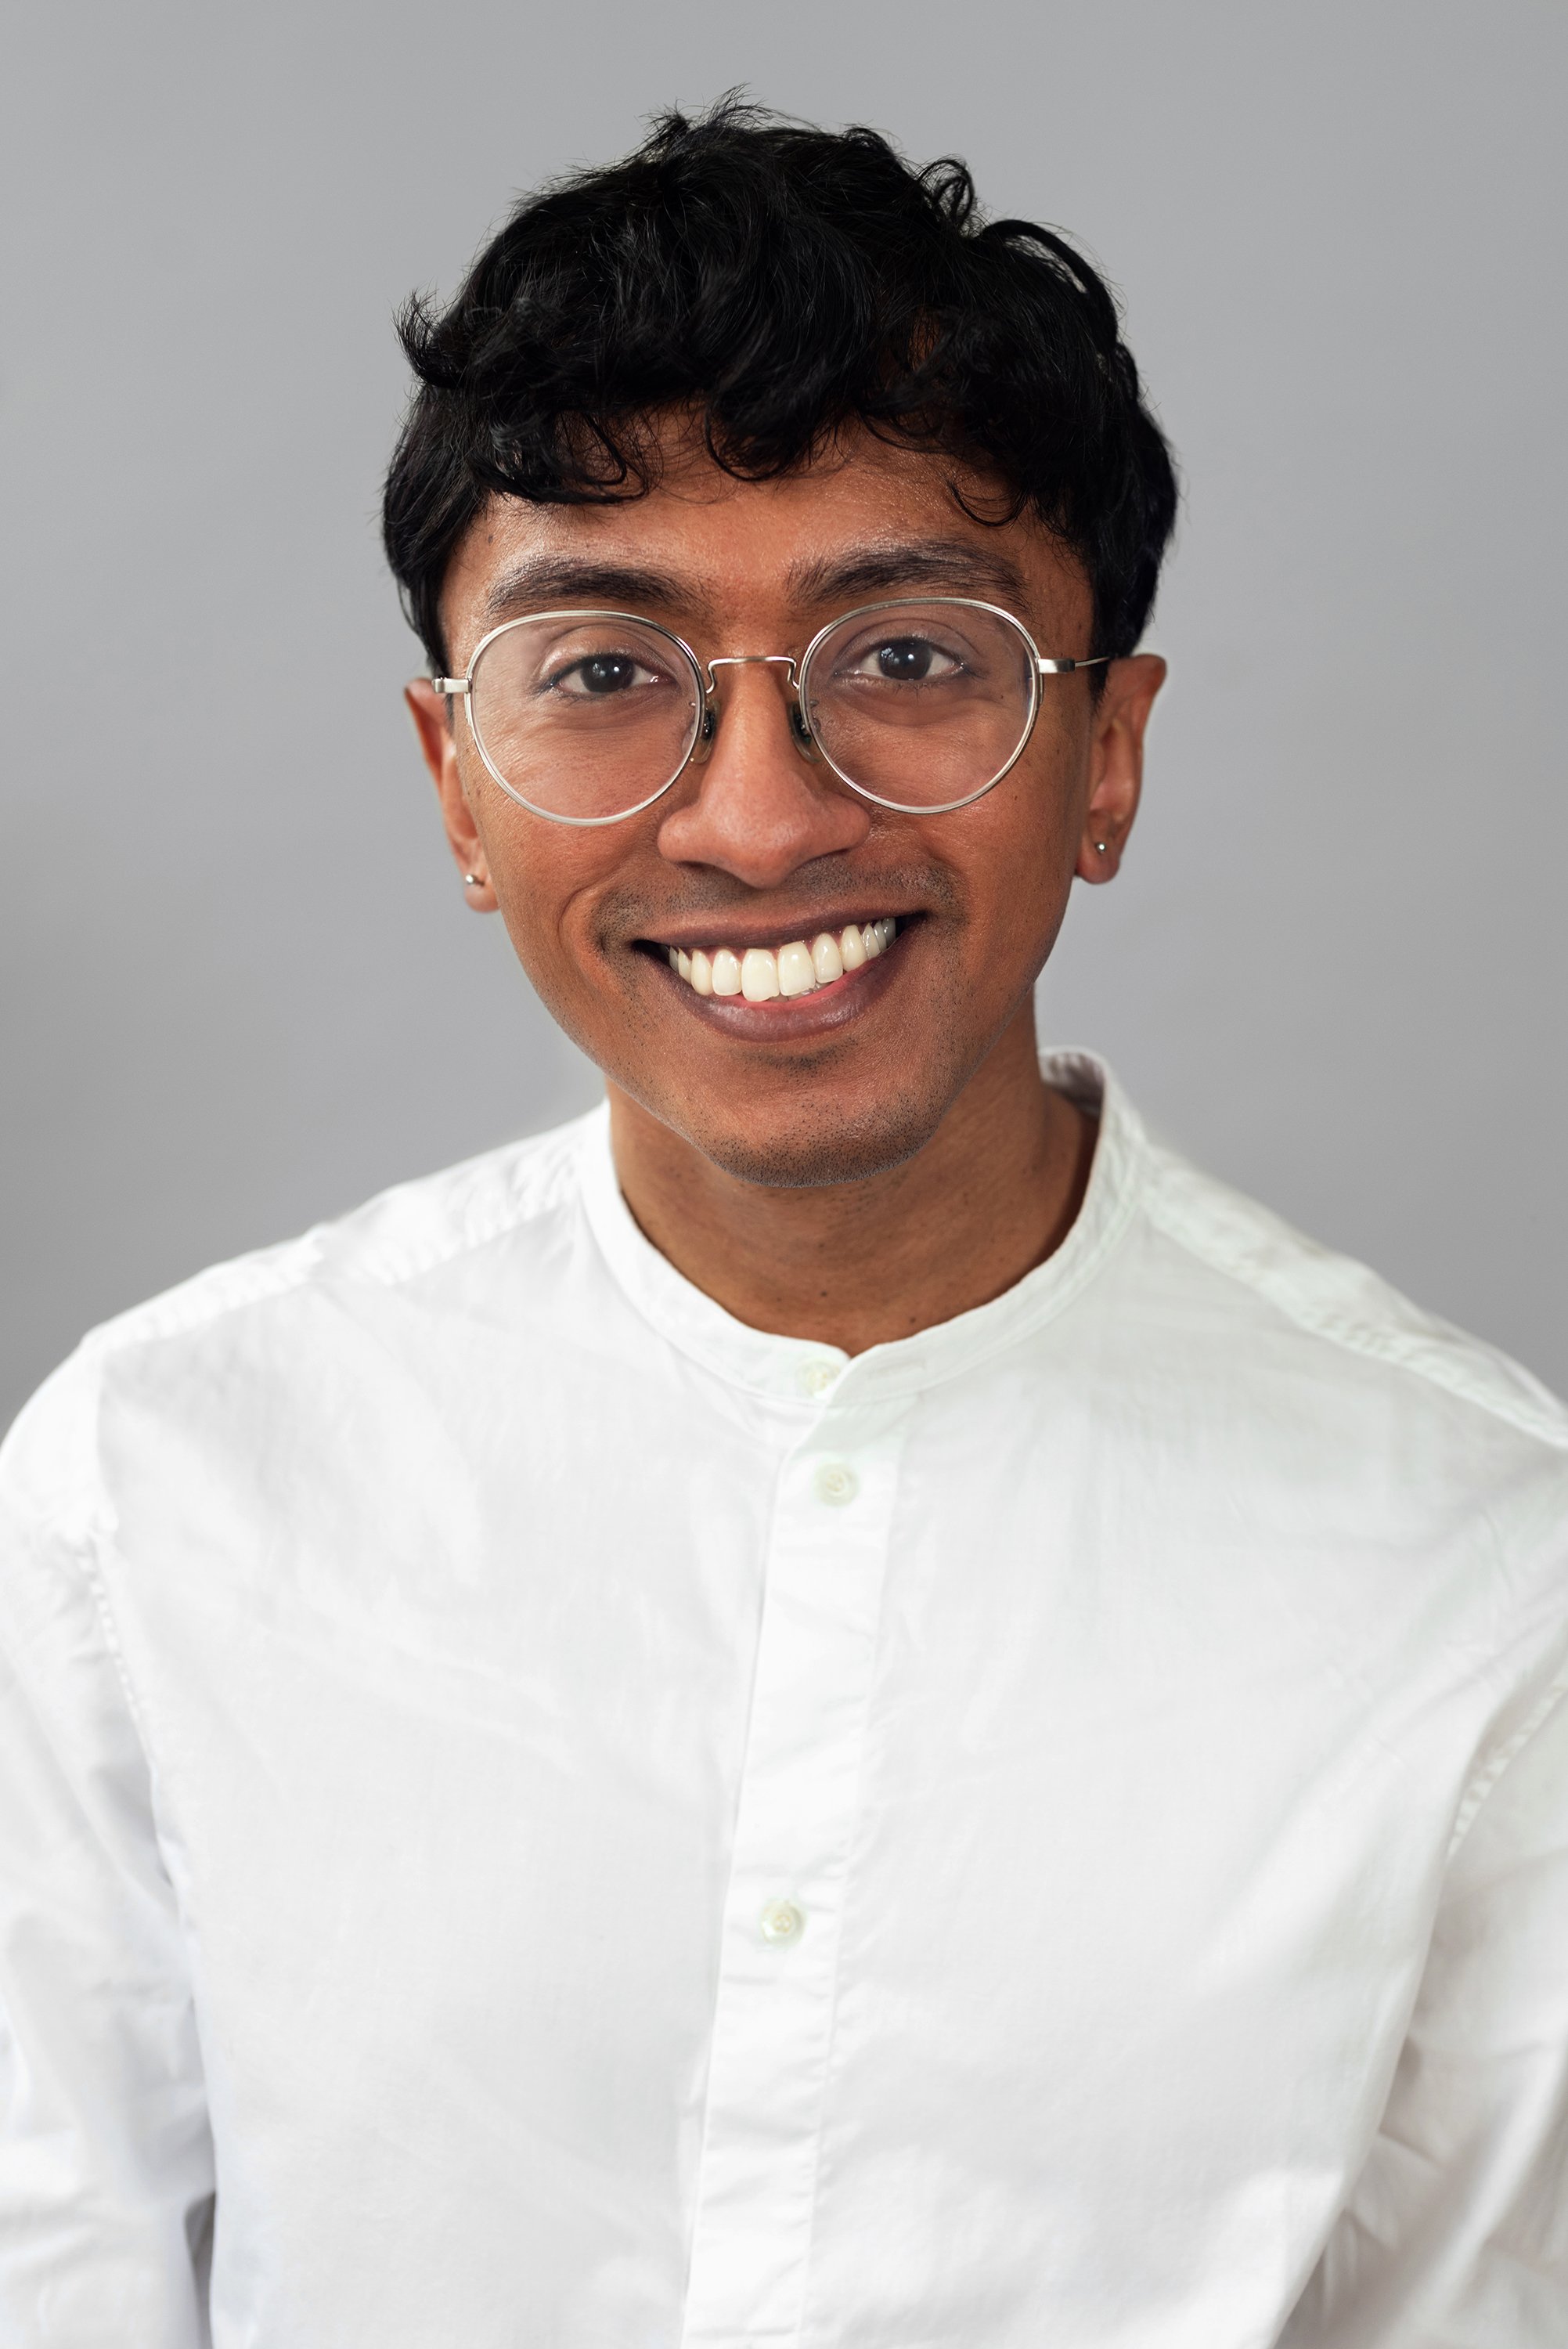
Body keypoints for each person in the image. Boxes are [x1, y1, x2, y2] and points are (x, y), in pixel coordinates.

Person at [2, 99, 1565, 2349]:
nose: (752, 822)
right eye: (607, 672)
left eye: (910, 660)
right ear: (458, 785)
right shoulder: (149, 1489)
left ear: (1104, 754)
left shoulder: (1483, 1570)